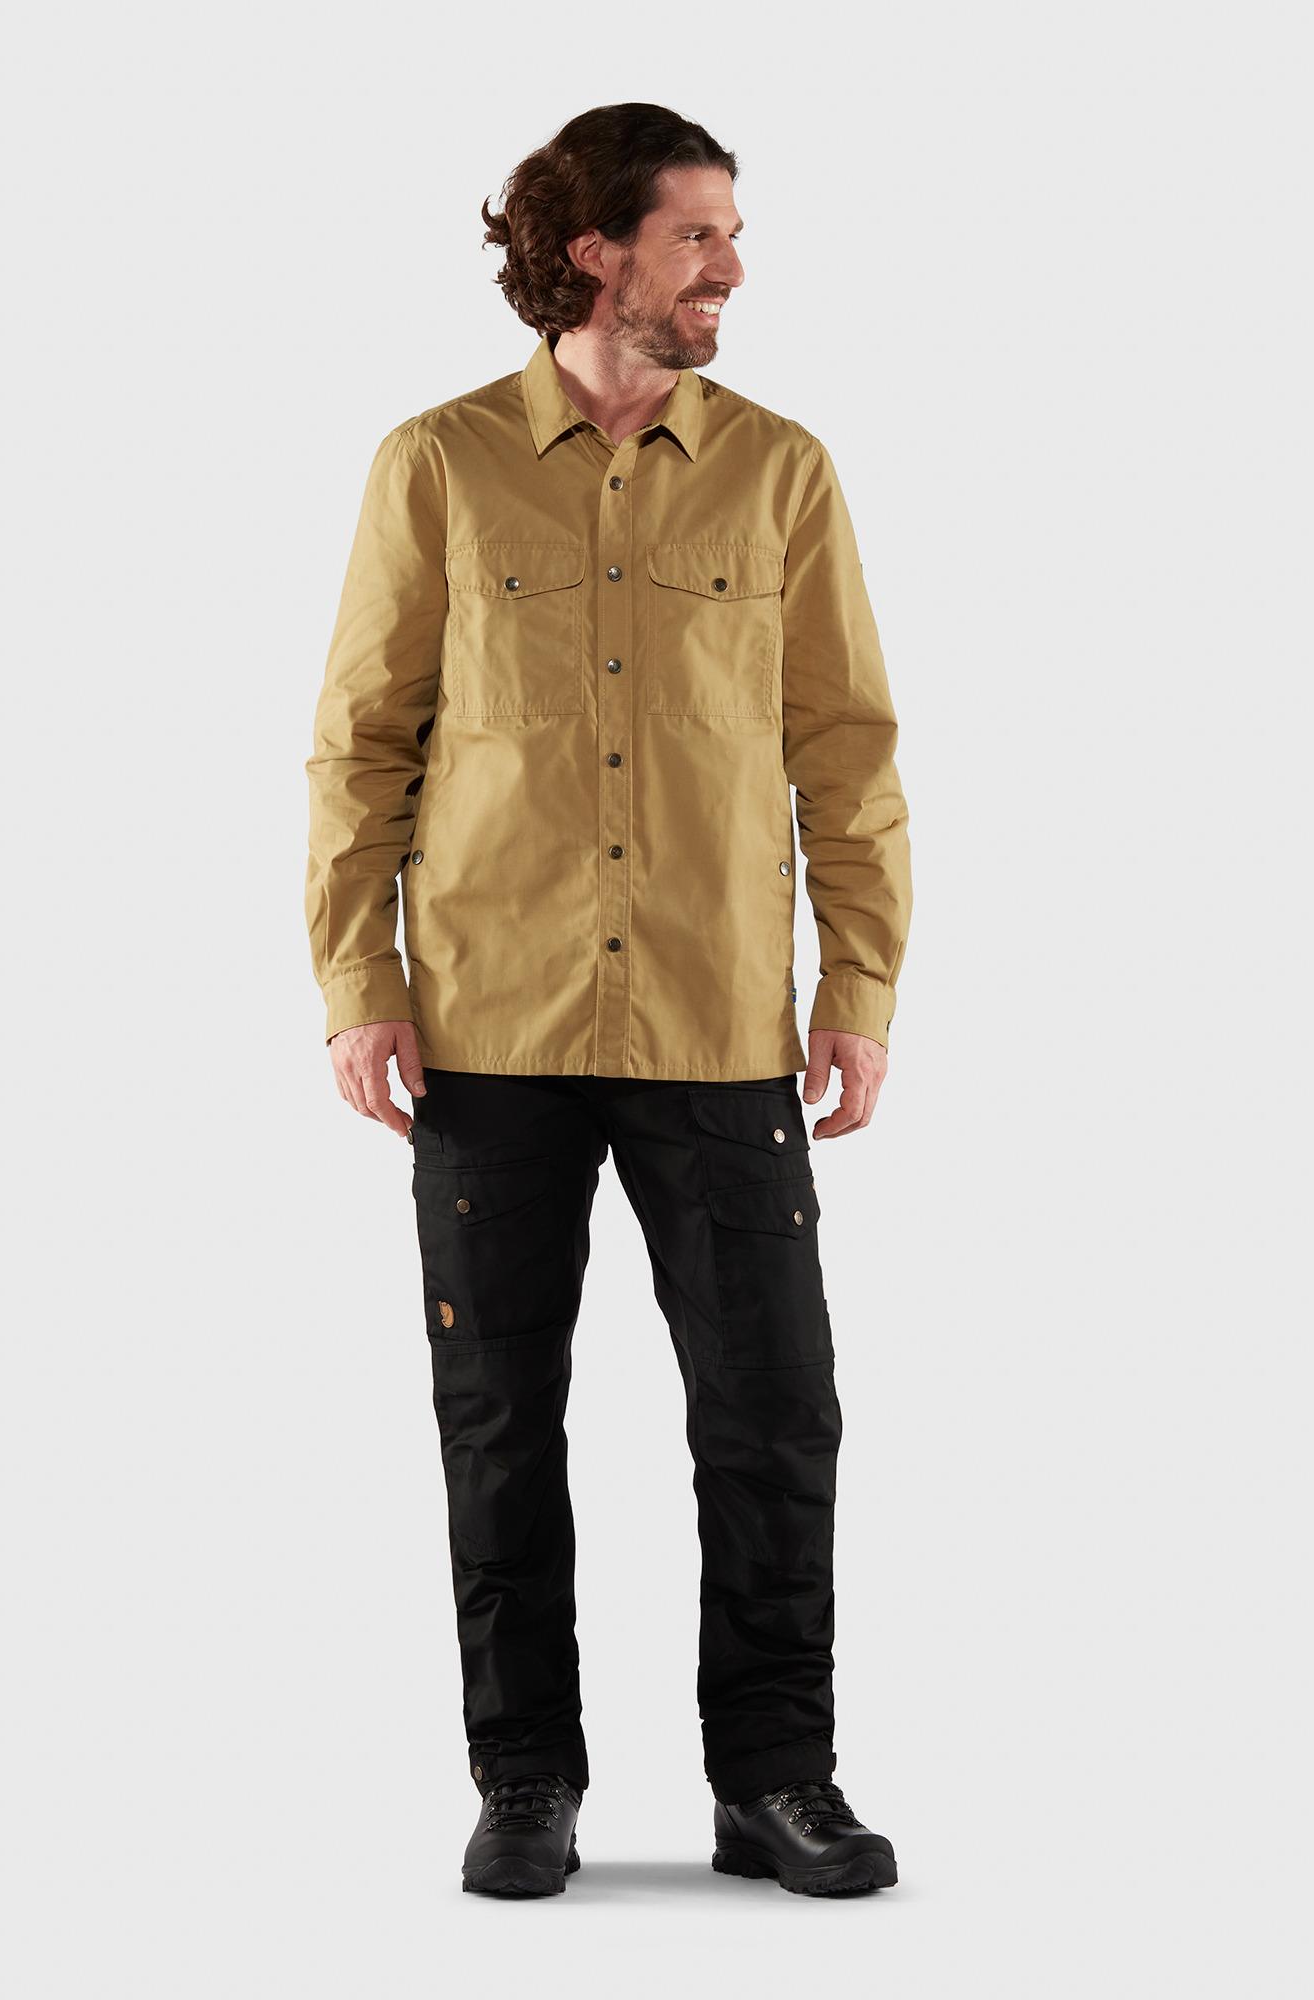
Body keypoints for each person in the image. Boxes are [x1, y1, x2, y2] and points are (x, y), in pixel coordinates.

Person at [304, 102, 912, 1898]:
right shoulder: (438, 463)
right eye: (697, 236)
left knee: (774, 1414)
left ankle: (775, 1782)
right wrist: (357, 978)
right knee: (500, 1422)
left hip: (719, 1024)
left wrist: (860, 982)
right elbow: (362, 742)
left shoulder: (782, 472)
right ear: (596, 252)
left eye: (731, 234)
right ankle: (525, 1781)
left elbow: (846, 751)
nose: (732, 268)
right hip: (485, 1024)